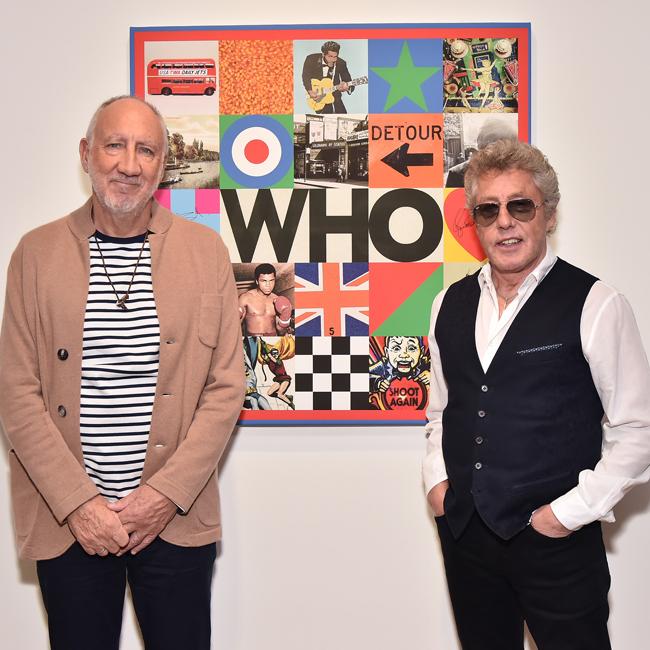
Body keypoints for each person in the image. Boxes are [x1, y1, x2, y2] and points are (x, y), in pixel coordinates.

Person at [0, 95, 245, 650]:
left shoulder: (205, 252)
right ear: (86, 153)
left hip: (175, 520)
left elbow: (226, 388)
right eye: (115, 146)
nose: (129, 165)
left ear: (163, 164)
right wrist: (79, 504)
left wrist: (163, 495)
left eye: (146, 151)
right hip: (69, 525)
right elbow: (17, 392)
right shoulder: (34, 255)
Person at [423, 139, 650, 650]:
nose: (504, 222)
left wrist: (567, 515)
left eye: (520, 206)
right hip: (466, 537)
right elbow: (442, 410)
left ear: (548, 214)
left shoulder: (597, 303)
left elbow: (638, 429)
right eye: (489, 210)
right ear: (475, 223)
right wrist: (438, 484)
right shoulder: (447, 304)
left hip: (557, 543)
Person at [445, 118, 517, 188]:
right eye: (490, 139)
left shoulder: (518, 173)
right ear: (479, 141)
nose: (494, 144)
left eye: (502, 139)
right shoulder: (457, 175)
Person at [238, 263, 293, 336]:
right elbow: (236, 327)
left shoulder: (277, 300)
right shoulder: (245, 298)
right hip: (253, 340)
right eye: (264, 281)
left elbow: (281, 332)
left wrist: (285, 319)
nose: (268, 285)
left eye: (271, 280)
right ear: (257, 281)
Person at [302, 40, 354, 114]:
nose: (333, 59)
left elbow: (349, 81)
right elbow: (305, 76)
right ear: (323, 54)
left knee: (343, 115)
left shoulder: (341, 63)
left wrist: (347, 87)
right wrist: (310, 91)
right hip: (317, 98)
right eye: (330, 56)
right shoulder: (311, 59)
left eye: (335, 57)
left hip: (335, 97)